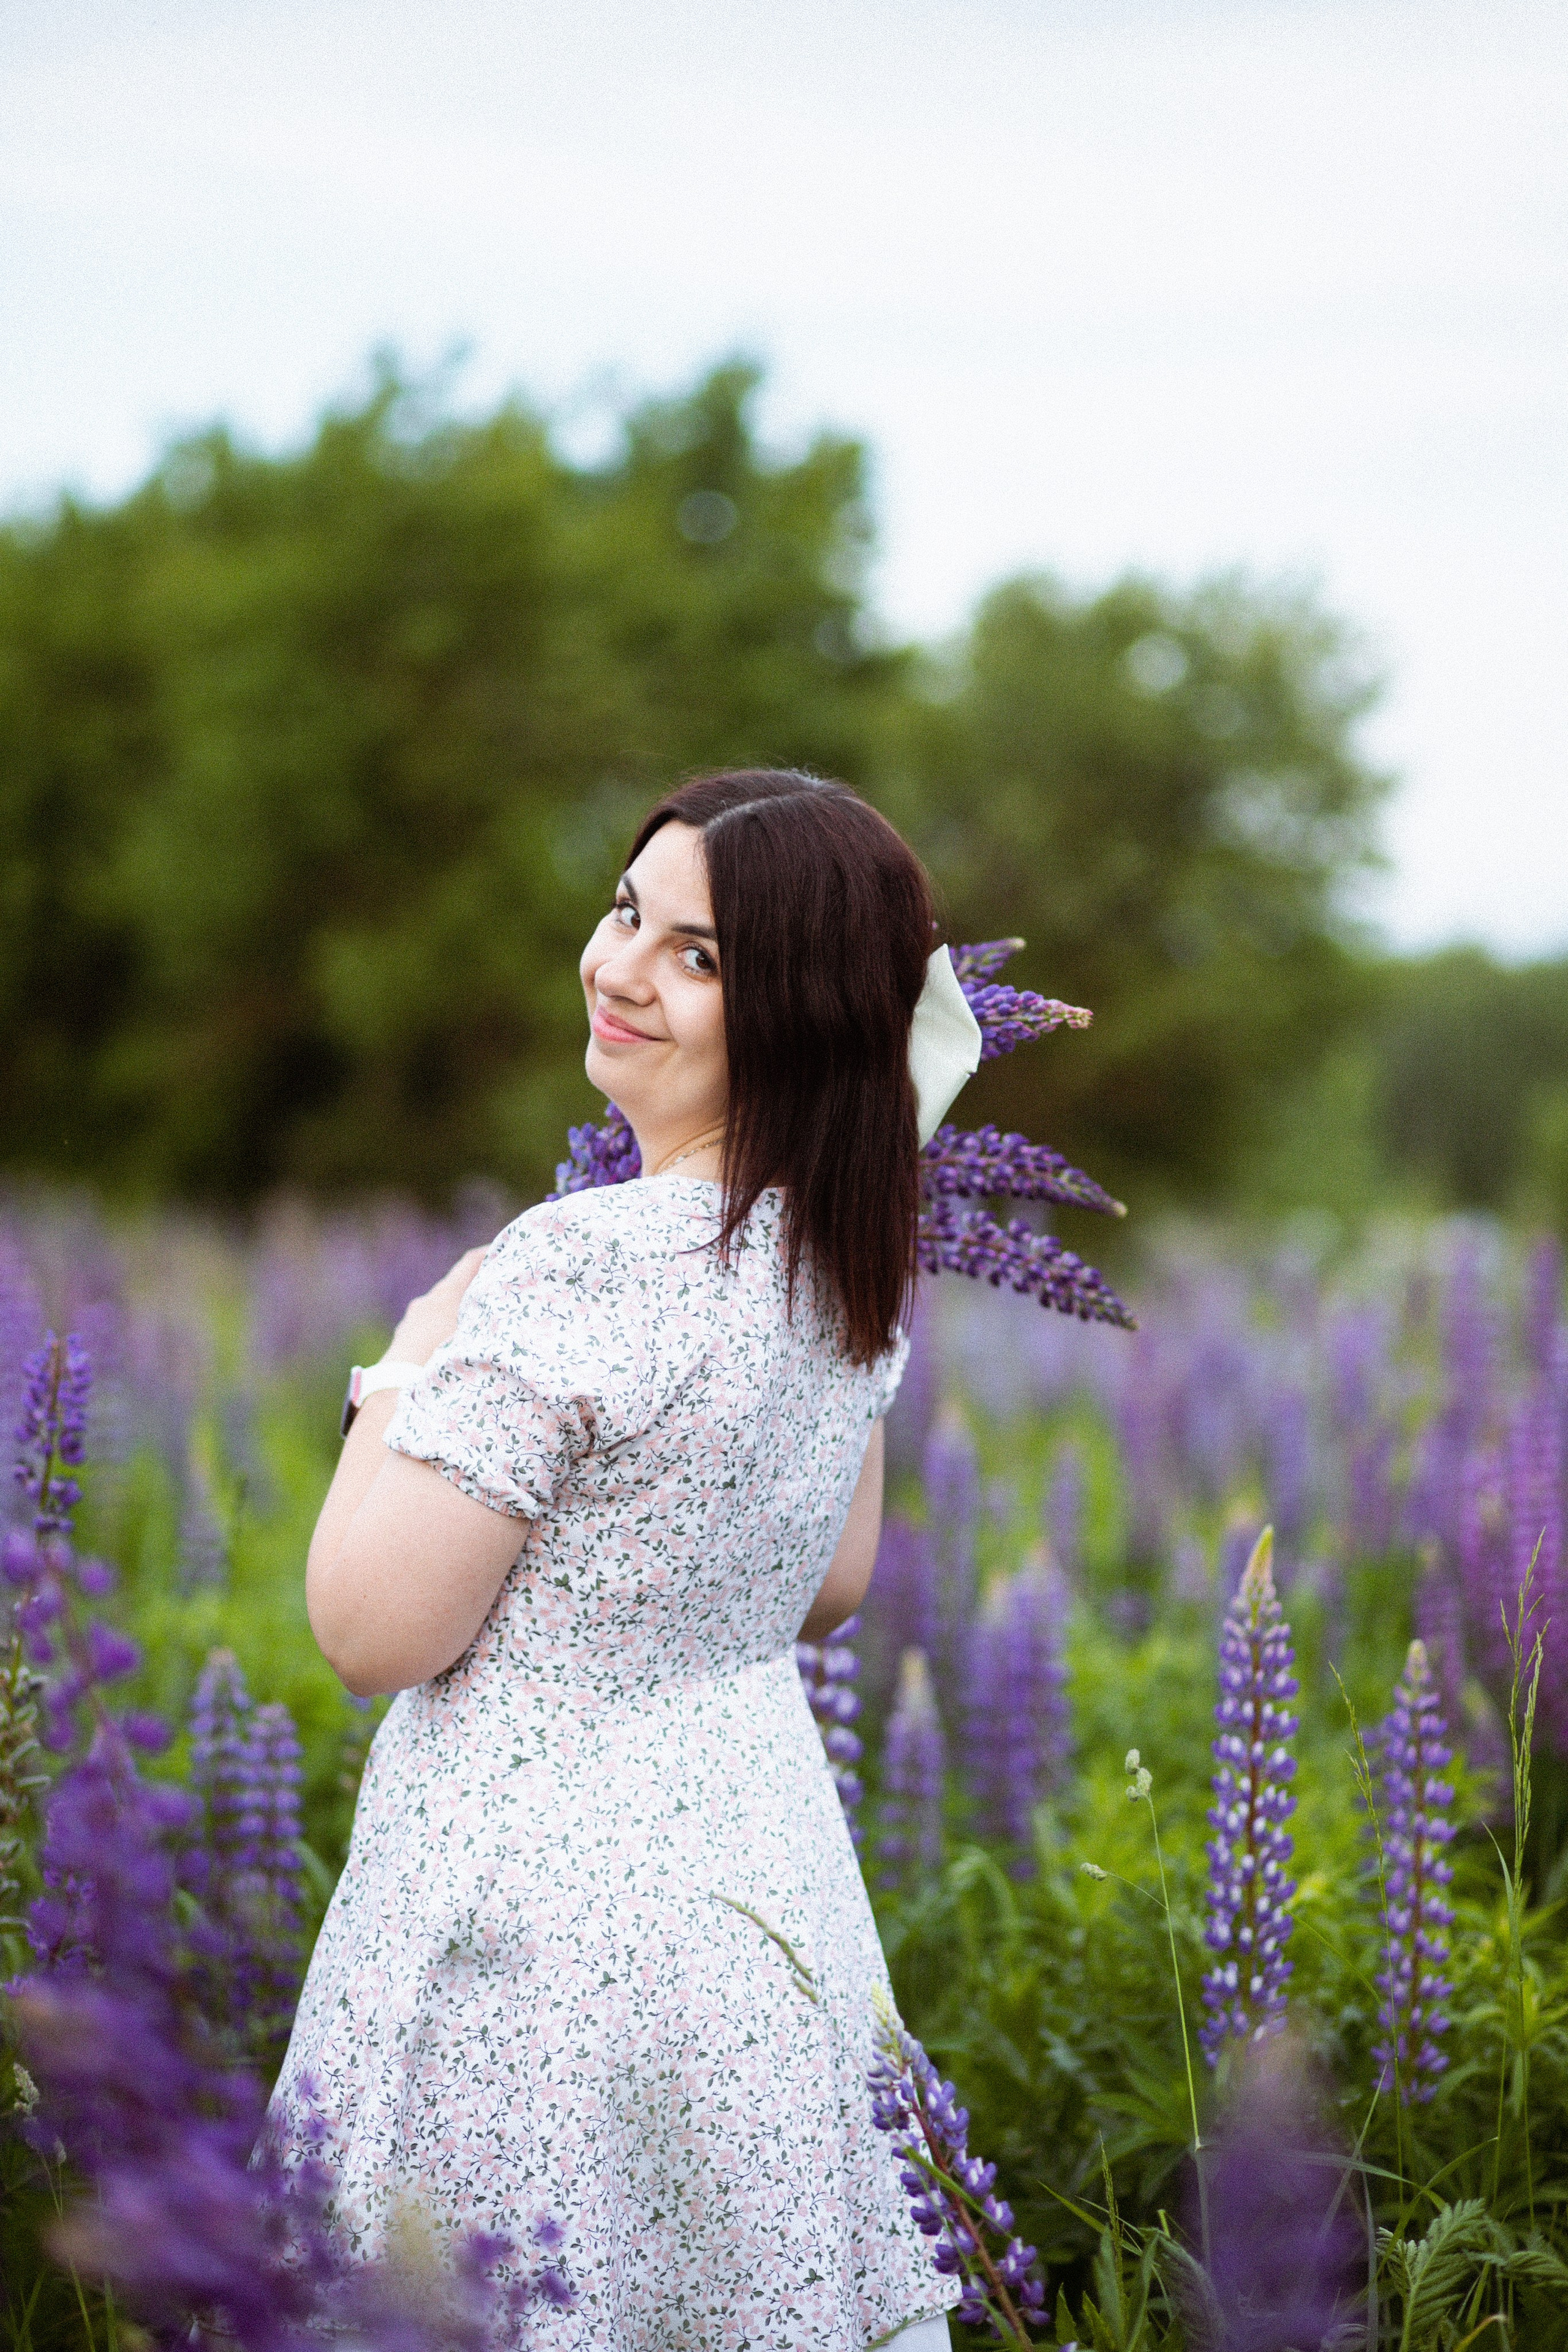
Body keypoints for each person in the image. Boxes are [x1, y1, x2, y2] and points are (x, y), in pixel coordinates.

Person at [277, 770, 974, 2350]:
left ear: (795, 1008)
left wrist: (404, 1363)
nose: (621, 967)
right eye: (625, 913)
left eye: (700, 956)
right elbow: (833, 1582)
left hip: (533, 1926)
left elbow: (372, 1629)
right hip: (753, 1899)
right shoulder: (845, 1251)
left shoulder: (578, 1259)